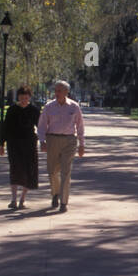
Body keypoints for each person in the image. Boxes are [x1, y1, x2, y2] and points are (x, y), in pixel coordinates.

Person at [38, 79, 85, 212]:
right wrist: (42, 141)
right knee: (52, 171)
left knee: (66, 171)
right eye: (56, 90)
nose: (57, 93)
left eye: (60, 90)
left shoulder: (74, 107)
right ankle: (55, 194)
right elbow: (41, 126)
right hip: (52, 140)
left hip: (69, 141)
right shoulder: (49, 106)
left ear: (66, 92)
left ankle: (64, 202)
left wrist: (82, 144)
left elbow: (80, 126)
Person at [0, 86, 40, 209]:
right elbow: (5, 128)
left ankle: (23, 199)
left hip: (29, 143)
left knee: (29, 170)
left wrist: (44, 140)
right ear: (18, 97)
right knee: (15, 170)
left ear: (29, 98)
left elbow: (41, 126)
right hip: (14, 143)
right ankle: (13, 199)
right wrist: (1, 144)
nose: (23, 100)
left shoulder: (34, 110)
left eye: (26, 98)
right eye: (21, 98)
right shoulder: (12, 110)